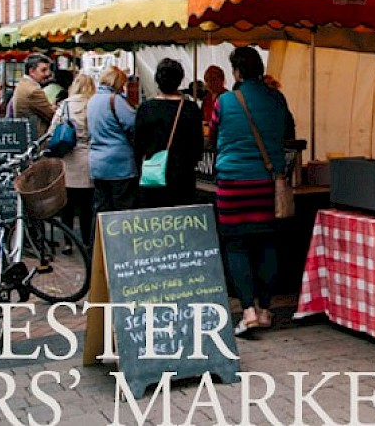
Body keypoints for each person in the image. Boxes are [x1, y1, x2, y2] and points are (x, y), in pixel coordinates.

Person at [210, 46, 295, 335]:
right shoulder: (276, 99)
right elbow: (287, 135)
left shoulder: (224, 101)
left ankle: (247, 311)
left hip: (232, 184)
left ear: (237, 71)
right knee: (267, 245)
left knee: (236, 245)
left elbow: (213, 135)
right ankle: (266, 309)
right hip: (267, 184)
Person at [135, 58, 203, 209]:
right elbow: (198, 148)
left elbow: (138, 147)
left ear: (157, 80)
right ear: (180, 80)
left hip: (153, 176)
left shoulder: (146, 109)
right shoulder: (190, 109)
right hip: (183, 177)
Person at [48, 74, 96, 248]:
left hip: (69, 158)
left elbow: (53, 131)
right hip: (88, 158)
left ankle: (68, 241)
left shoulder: (65, 106)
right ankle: (86, 240)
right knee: (86, 206)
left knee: (67, 204)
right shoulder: (93, 105)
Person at [86, 66, 137, 212]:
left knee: (102, 209)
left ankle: (98, 235)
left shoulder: (92, 100)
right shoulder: (115, 100)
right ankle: (120, 236)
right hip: (119, 164)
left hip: (97, 163)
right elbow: (133, 124)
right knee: (122, 209)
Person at [13, 53, 56, 137]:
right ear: (32, 71)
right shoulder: (34, 91)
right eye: (43, 70)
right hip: (37, 139)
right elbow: (52, 116)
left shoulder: (23, 84)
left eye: (48, 69)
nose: (48, 74)